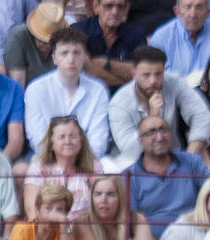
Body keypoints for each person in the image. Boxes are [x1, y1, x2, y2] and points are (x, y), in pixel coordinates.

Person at [110, 44, 210, 164]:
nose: (153, 81)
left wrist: (189, 157)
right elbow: (128, 148)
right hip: (135, 164)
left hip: (174, 158)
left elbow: (203, 117)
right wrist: (152, 118)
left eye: (158, 74)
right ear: (134, 72)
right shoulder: (118, 103)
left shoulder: (174, 82)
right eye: (146, 75)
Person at [24, 26, 110, 154]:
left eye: (76, 53)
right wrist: (61, 163)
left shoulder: (99, 90)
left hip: (88, 160)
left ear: (84, 57)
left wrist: (79, 164)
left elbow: (99, 139)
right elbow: (37, 139)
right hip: (46, 159)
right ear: (54, 58)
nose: (71, 60)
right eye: (64, 53)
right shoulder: (35, 90)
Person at [125, 110, 209, 226]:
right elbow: (131, 219)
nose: (159, 137)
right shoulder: (129, 176)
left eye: (163, 130)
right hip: (152, 238)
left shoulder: (191, 162)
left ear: (171, 134)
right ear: (140, 140)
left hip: (193, 230)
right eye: (151, 132)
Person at [25, 113, 97, 214]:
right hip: (49, 227)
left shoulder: (94, 166)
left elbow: (99, 208)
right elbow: (32, 209)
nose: (68, 141)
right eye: (61, 137)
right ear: (51, 143)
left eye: (72, 136)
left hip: (85, 227)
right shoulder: (38, 166)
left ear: (81, 140)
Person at [76, 167, 156, 240]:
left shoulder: (136, 218)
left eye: (110, 194)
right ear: (91, 198)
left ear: (120, 197)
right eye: (98, 194)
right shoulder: (82, 221)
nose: (103, 200)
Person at [148, 0, 210, 80]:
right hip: (176, 93)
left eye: (199, 7)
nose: (193, 15)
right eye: (187, 7)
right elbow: (158, 78)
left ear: (208, 13)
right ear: (177, 11)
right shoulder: (161, 37)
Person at [3, 175, 81, 240]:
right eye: (48, 208)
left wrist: (65, 225)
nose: (54, 215)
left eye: (60, 210)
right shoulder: (22, 229)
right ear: (37, 209)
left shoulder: (65, 235)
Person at [78, 0, 147, 87]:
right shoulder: (79, 31)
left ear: (126, 9)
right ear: (96, 6)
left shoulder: (136, 34)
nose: (115, 12)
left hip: (125, 97)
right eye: (108, 6)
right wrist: (127, 81)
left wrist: (107, 64)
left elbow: (142, 72)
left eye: (120, 6)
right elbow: (87, 69)